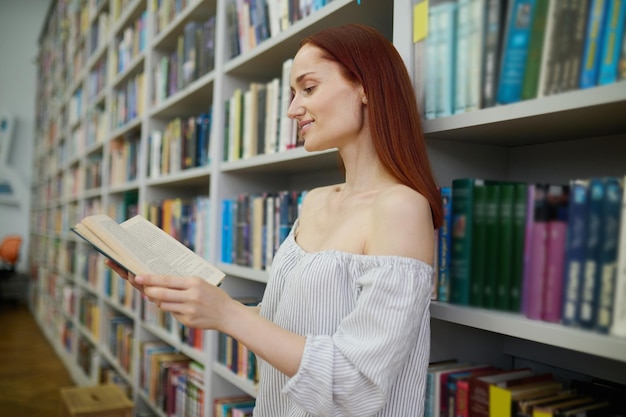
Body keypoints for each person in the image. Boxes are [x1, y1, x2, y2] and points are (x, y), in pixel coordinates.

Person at [107, 24, 443, 417]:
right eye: (291, 93)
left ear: (366, 86)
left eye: (309, 88)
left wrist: (228, 314)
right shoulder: (315, 201)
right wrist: (196, 300)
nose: (291, 109)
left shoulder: (401, 209)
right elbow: (287, 323)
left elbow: (356, 385)